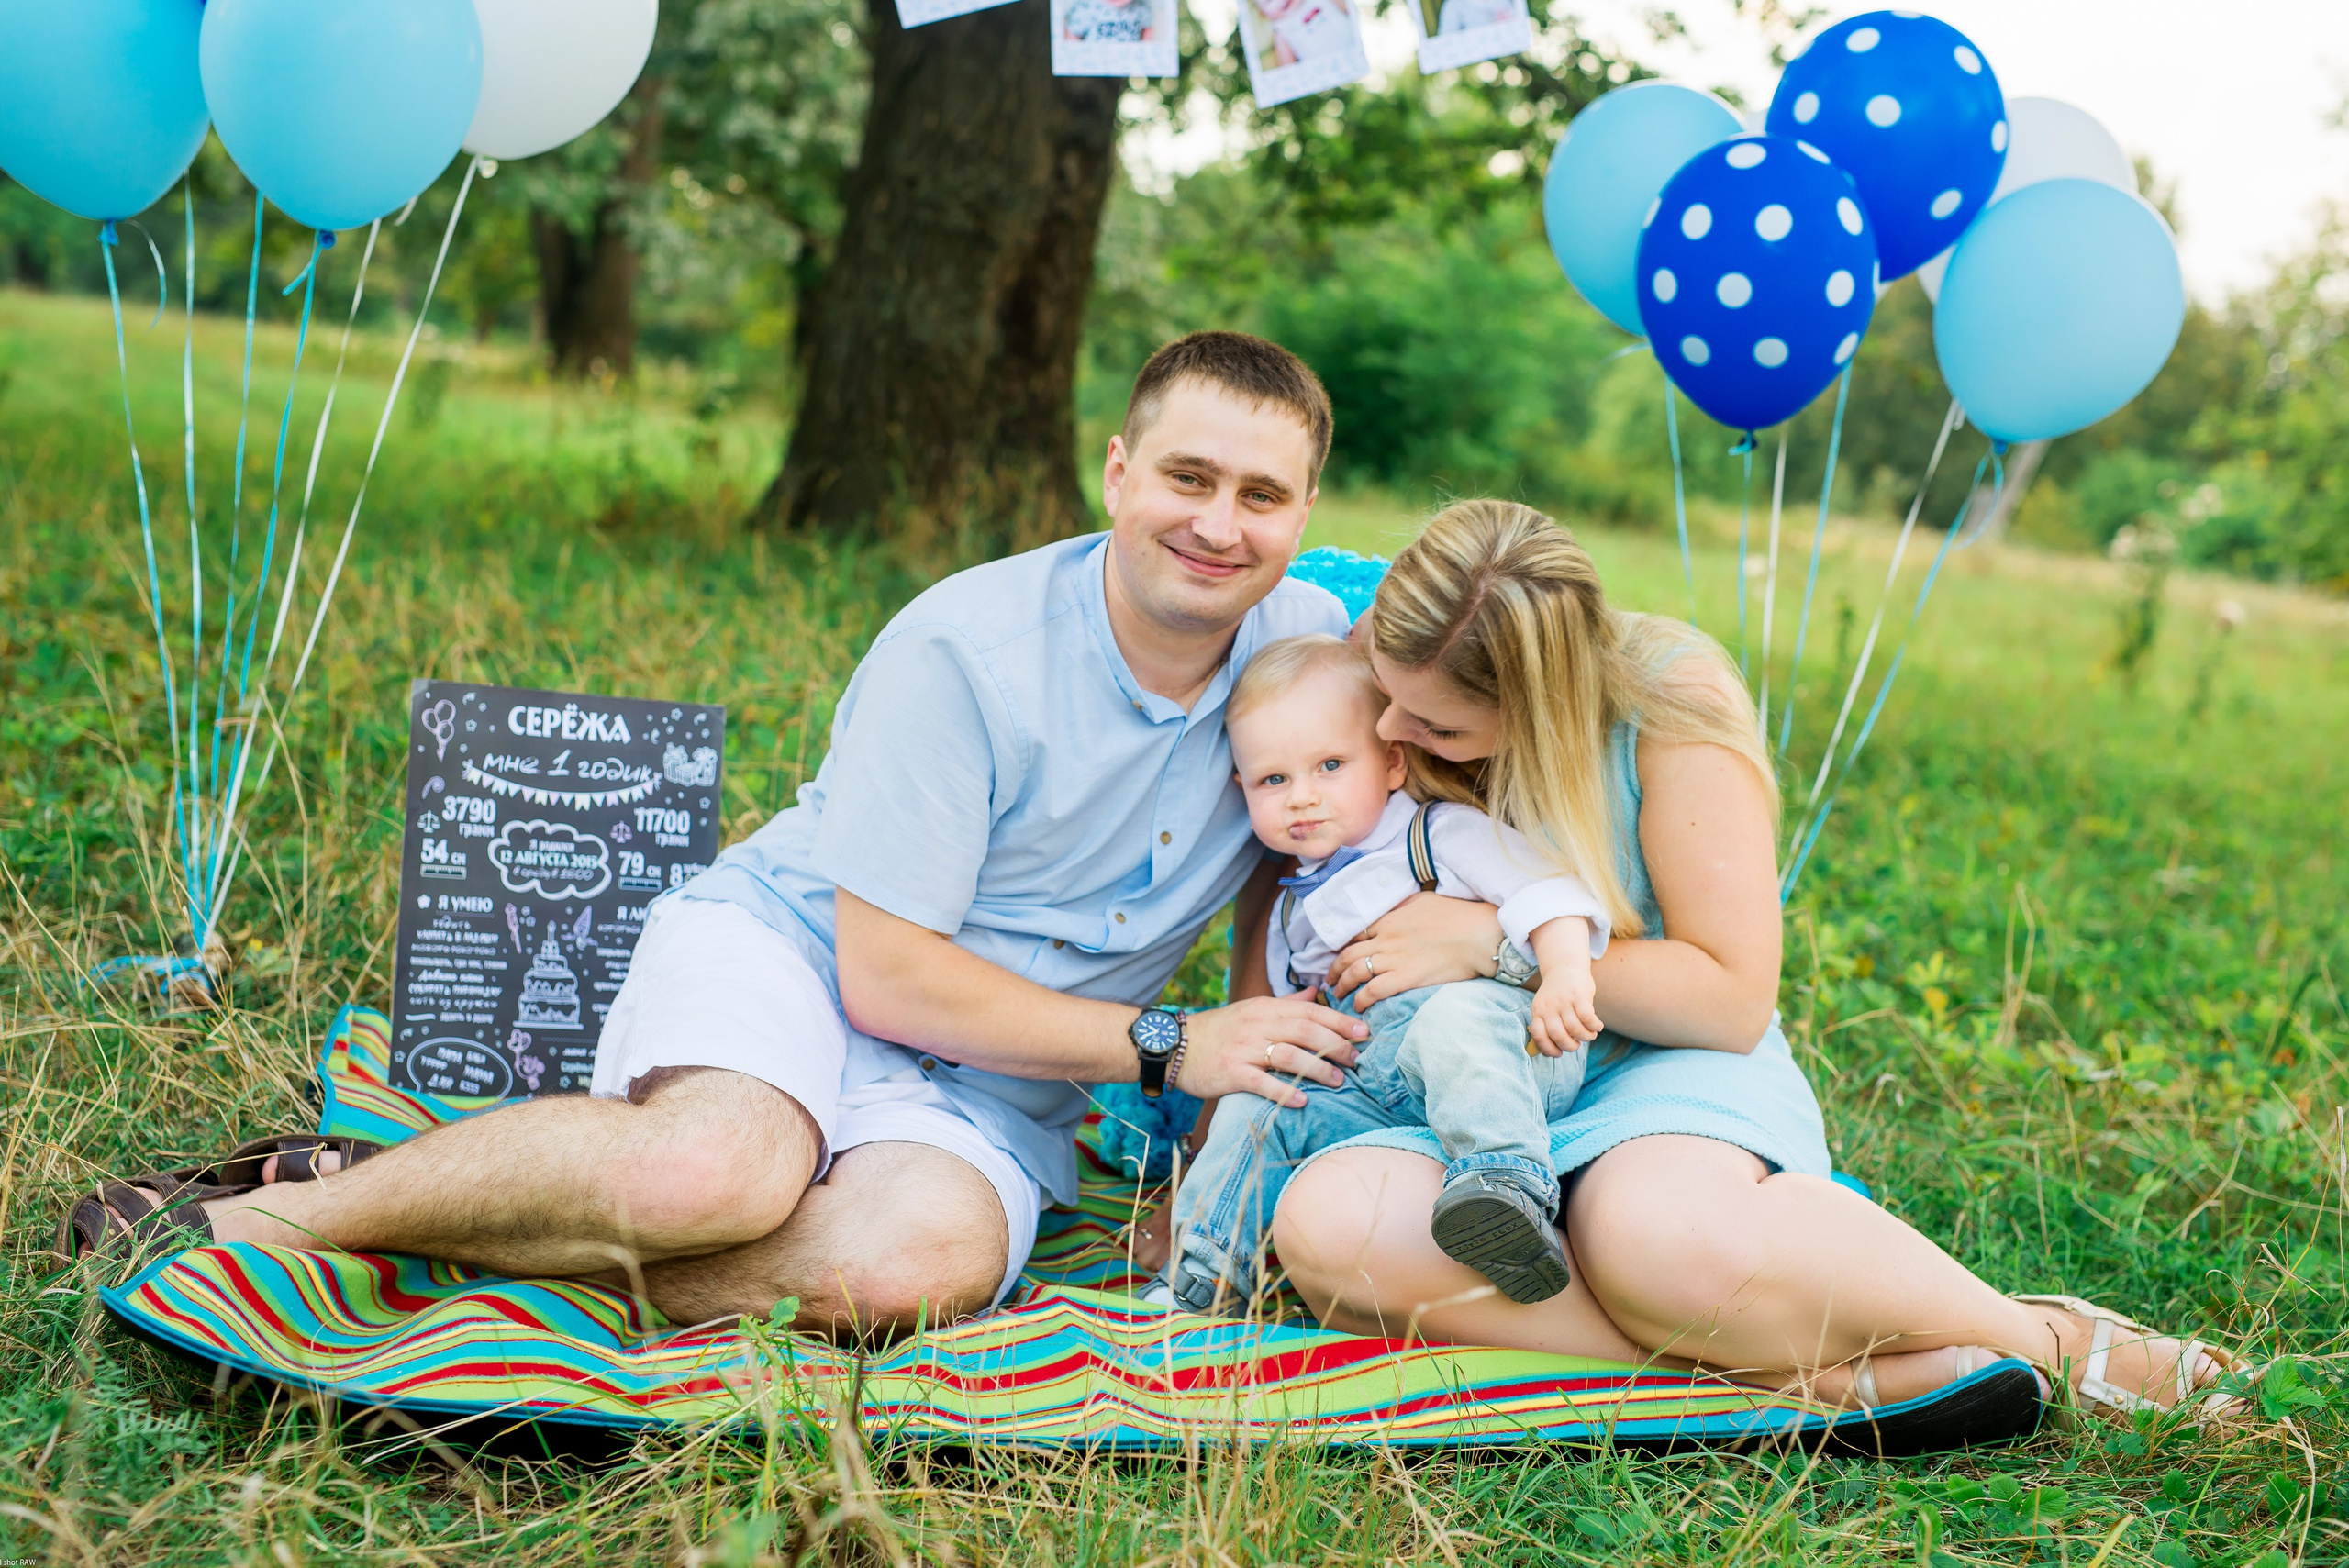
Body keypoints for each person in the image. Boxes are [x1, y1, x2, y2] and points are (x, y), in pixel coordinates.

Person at [60, 331, 1376, 1337]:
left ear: (1305, 514)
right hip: (805, 956)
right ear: (1117, 472)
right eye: (1188, 476)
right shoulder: (966, 649)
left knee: (910, 1266)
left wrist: (1215, 1158)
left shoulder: (1306, 670)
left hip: (998, 1084)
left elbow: (1290, 875)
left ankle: (460, 1207)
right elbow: (888, 975)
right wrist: (1169, 1045)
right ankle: (285, 1216)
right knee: (711, 1174)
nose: (1218, 523)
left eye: (1262, 494)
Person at [1253, 497, 2239, 1416]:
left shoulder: (1664, 697)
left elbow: (1728, 996)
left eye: (1434, 726)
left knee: (1649, 1241)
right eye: (1386, 696)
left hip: (1652, 1061)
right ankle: (1826, 1379)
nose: (1390, 731)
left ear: (1541, 704)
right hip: (1461, 1089)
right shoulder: (1385, 652)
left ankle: (2049, 1340)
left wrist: (1495, 943)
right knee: (1329, 1223)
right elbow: (1280, 890)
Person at [1146, 633, 1608, 1314]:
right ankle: (1206, 1269)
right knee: (1257, 1107)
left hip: (1504, 1061)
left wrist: (1566, 972)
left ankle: (1506, 1194)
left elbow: (1549, 892)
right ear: (1241, 788)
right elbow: (1291, 1006)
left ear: (1392, 762)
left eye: (1330, 764)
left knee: (1454, 1019)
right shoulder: (1289, 906)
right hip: (1375, 1089)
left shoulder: (1434, 835)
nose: (1302, 797)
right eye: (1274, 780)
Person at [1251, 0, 1354, 68]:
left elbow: (1352, 11)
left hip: (1354, 47)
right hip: (1324, 68)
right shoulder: (1281, 30)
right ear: (1264, 14)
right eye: (1269, 1)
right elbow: (1288, 68)